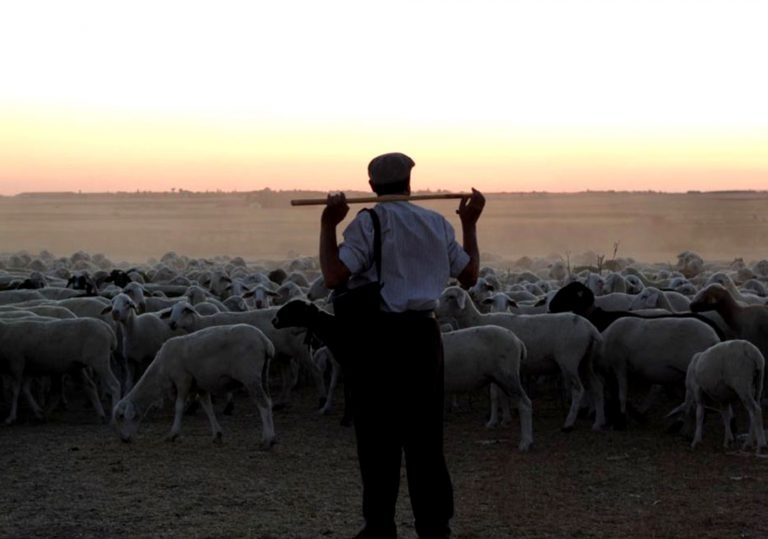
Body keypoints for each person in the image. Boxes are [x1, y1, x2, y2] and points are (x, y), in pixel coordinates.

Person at [319, 152, 485, 539]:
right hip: (425, 340)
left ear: (372, 187)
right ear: (410, 184)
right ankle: (434, 527)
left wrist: (328, 225)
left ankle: (379, 526)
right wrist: (470, 225)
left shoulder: (369, 222)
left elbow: (332, 275)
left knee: (378, 438)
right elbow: (471, 275)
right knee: (426, 437)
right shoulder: (437, 223)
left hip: (379, 340)